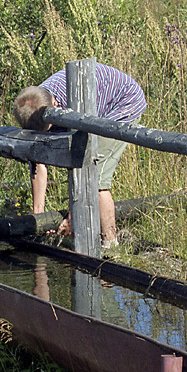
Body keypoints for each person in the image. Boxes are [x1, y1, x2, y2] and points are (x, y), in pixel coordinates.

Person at [12, 63, 147, 248]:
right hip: (94, 108)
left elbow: (83, 159)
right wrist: (39, 217)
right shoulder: (33, 106)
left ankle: (110, 244)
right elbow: (38, 160)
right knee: (87, 175)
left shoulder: (73, 105)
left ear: (54, 105)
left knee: (96, 178)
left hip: (122, 103)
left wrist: (71, 216)